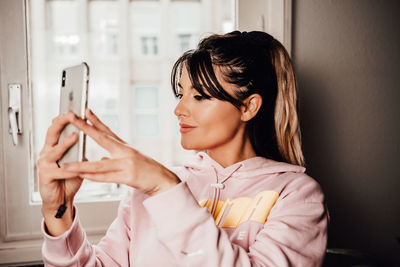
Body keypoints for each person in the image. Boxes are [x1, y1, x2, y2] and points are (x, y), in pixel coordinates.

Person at [38, 31, 328, 266]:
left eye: (200, 96)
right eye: (180, 93)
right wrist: (58, 212)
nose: (178, 109)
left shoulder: (297, 195)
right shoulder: (146, 193)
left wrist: (166, 188)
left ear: (248, 106)